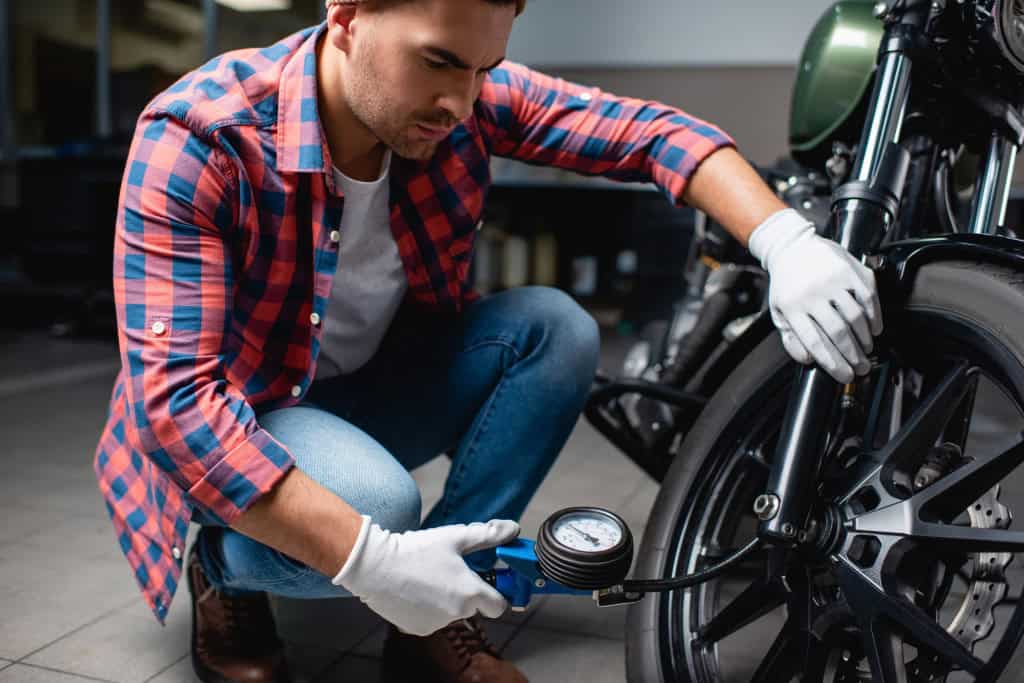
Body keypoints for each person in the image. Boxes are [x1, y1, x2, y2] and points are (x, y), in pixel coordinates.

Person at [92, 0, 881, 681]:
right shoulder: (200, 136)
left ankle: (433, 609)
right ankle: (223, 568)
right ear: (346, 16)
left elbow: (651, 134)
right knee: (381, 508)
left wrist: (784, 238)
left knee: (555, 330)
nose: (461, 103)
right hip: (250, 405)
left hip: (369, 386)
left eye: (482, 69)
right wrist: (374, 558)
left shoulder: (464, 98)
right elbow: (178, 405)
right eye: (438, 62)